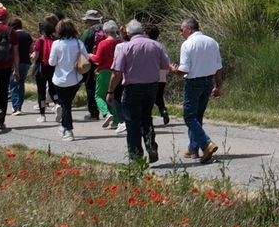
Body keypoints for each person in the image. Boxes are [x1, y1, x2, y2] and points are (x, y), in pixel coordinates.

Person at [113, 21, 173, 170]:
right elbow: (166, 66)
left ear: (128, 32)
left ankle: (136, 157)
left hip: (132, 87)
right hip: (152, 86)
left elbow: (117, 72)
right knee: (146, 117)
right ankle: (150, 144)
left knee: (132, 121)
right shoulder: (156, 45)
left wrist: (110, 90)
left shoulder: (125, 47)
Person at [176, 17, 224, 163]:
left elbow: (184, 69)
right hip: (208, 81)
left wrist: (173, 70)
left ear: (188, 29)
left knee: (189, 117)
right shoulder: (212, 42)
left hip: (194, 82)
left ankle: (206, 143)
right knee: (198, 116)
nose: (181, 33)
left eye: (181, 30)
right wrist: (218, 85)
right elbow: (218, 67)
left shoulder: (187, 44)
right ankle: (193, 149)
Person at [48, 21, 88, 141]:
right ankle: (64, 126)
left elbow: (52, 62)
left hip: (60, 80)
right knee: (67, 104)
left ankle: (68, 130)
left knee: (66, 106)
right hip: (75, 79)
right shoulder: (78, 42)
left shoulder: (56, 44)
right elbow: (86, 59)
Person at [92, 20, 122, 130]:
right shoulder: (120, 43)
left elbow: (97, 59)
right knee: (113, 96)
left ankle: (106, 113)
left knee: (99, 96)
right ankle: (116, 121)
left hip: (104, 72)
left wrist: (90, 55)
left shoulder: (103, 43)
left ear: (105, 31)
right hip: (117, 72)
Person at [9, 15, 36, 115]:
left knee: (13, 84)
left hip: (14, 62)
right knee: (21, 84)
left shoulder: (12, 35)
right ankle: (19, 105)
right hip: (26, 62)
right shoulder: (27, 35)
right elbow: (31, 49)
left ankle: (16, 107)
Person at [33, 16, 58, 119]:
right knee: (53, 89)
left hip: (41, 68)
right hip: (52, 68)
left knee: (41, 92)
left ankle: (42, 115)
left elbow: (36, 56)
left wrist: (32, 56)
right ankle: (57, 104)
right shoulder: (55, 40)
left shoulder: (40, 41)